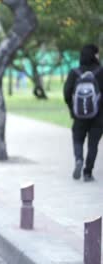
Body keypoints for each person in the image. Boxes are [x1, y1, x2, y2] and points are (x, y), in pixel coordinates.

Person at [64, 44, 103, 181]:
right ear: (94, 55)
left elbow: (67, 93)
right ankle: (87, 173)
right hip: (98, 116)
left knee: (78, 140)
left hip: (79, 115)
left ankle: (79, 159)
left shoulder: (75, 72)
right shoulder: (101, 71)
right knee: (93, 145)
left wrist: (73, 109)